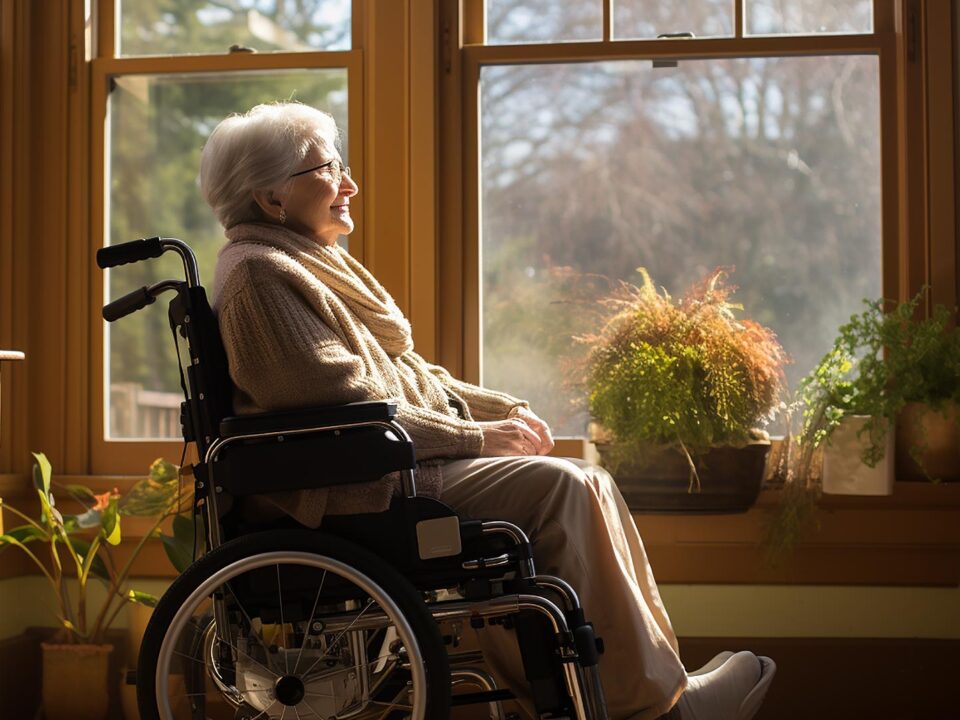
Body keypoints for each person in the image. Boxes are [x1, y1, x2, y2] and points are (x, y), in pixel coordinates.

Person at [201, 101, 775, 720]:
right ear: (271, 199)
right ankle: (651, 710)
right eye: (327, 167)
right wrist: (474, 438)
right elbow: (346, 406)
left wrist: (500, 409)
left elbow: (406, 375)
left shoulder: (300, 258)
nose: (350, 183)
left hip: (383, 465)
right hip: (359, 486)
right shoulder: (259, 276)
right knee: (565, 489)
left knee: (587, 480)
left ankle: (650, 691)